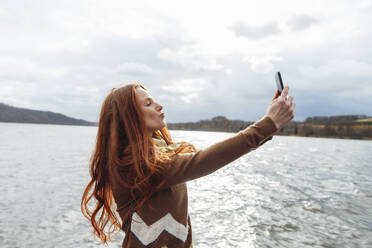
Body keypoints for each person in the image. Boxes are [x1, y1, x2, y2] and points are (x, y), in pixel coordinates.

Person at [81, 83, 295, 248]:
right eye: (147, 104)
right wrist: (268, 123)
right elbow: (204, 160)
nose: (159, 106)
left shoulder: (160, 152)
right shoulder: (133, 167)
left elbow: (217, 153)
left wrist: (270, 124)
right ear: (129, 118)